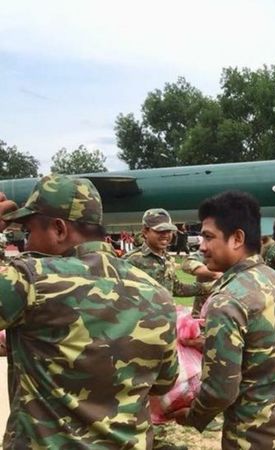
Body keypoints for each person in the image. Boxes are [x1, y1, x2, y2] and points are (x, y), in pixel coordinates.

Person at [0, 174, 178, 448]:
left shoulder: (30, 280)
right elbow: (164, 382)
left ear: (59, 229)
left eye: (29, 231)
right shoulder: (158, 293)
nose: (27, 244)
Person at [170, 191, 275, 449]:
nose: (201, 246)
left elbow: (221, 389)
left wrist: (193, 416)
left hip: (255, 438)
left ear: (237, 238)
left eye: (208, 236)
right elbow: (270, 352)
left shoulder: (227, 301)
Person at [126, 208, 210, 298]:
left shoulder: (167, 258)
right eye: (160, 231)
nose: (166, 235)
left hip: (167, 312)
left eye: (169, 231)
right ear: (145, 232)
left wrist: (211, 286)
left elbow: (177, 288)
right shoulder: (130, 261)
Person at [181, 250, 223, 318]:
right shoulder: (211, 249)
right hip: (201, 313)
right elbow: (187, 263)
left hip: (227, 314)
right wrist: (214, 274)